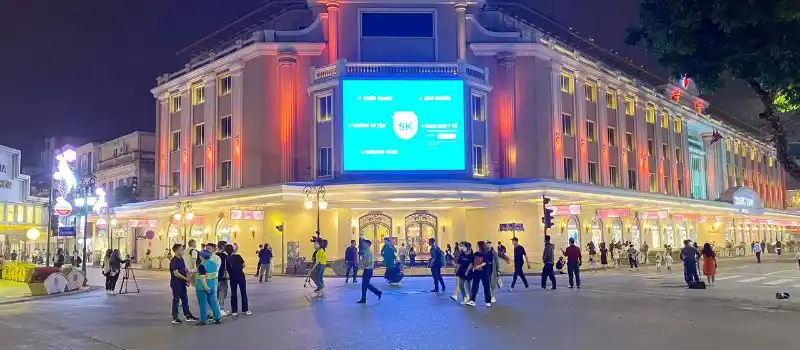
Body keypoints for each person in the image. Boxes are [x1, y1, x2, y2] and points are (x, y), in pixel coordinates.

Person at [169, 244, 198, 324]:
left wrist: (188, 279)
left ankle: (187, 315)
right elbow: (176, 273)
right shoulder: (174, 261)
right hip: (176, 283)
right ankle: (175, 317)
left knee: (185, 299)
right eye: (181, 250)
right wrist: (186, 279)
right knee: (176, 300)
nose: (183, 251)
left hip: (182, 283)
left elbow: (185, 270)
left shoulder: (181, 259)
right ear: (176, 251)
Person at [194, 250, 222, 325]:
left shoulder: (202, 265)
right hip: (212, 285)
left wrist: (205, 287)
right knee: (213, 302)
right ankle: (218, 318)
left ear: (202, 257)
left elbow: (202, 277)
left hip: (202, 287)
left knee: (202, 303)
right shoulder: (213, 264)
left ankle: (203, 320)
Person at [226, 244, 250, 316]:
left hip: (232, 277)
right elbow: (244, 264)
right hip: (240, 276)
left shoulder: (226, 258)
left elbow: (227, 268)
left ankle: (234, 311)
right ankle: (246, 310)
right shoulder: (238, 256)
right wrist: (240, 268)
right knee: (243, 293)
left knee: (233, 293)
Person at [467, 241, 492, 307]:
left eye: (477, 245)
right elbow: (472, 262)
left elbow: (486, 262)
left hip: (484, 272)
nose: (476, 246)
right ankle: (472, 300)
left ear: (480, 246)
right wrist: (469, 269)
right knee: (474, 286)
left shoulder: (486, 254)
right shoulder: (475, 254)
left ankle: (488, 301)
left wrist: (479, 265)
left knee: (486, 286)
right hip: (476, 272)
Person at [356, 239, 382, 304]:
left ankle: (377, 292)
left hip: (368, 270)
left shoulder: (368, 252)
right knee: (364, 285)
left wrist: (361, 263)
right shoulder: (367, 252)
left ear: (367, 245)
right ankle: (363, 298)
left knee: (365, 284)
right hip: (367, 270)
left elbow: (368, 262)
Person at [215, 241, 230, 316]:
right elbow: (228, 266)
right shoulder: (224, 256)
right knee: (222, 292)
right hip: (222, 276)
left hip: (215, 276)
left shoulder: (214, 255)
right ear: (223, 247)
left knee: (216, 293)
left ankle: (216, 309)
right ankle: (220, 309)